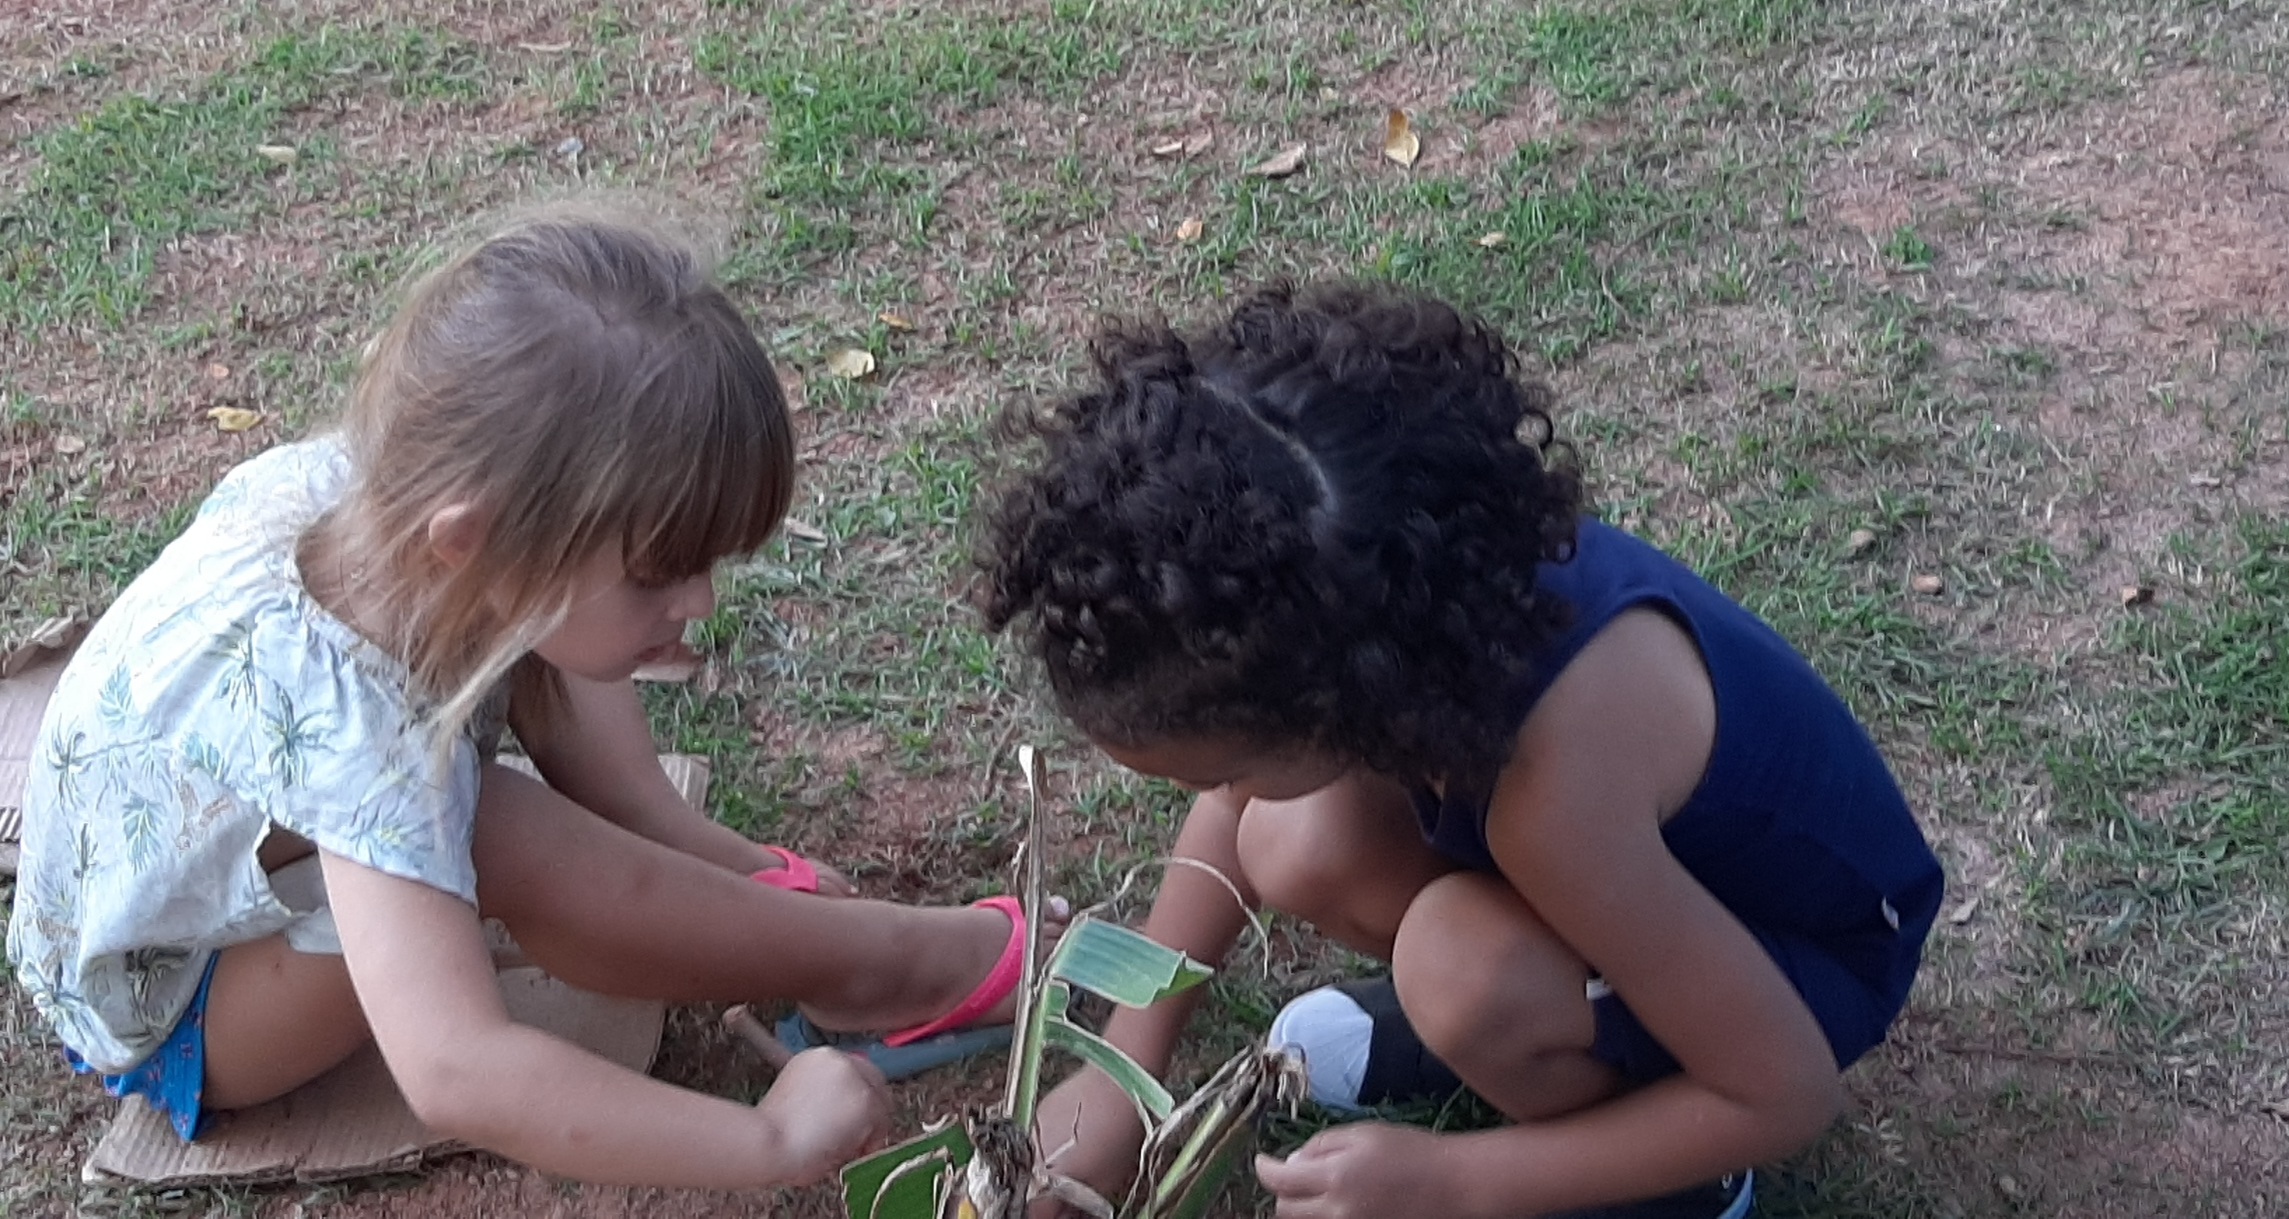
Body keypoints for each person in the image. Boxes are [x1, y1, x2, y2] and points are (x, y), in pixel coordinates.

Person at [7, 203, 1045, 1191]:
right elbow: (456, 1068)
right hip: (178, 1016)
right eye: (659, 570)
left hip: (175, 886)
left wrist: (684, 841)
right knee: (487, 826)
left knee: (527, 664)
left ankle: (713, 870)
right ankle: (877, 967)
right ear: (472, 533)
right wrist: (770, 1138)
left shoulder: (376, 492)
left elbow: (539, 630)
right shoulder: (363, 740)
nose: (700, 599)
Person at [977, 283, 1944, 1218]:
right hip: (1642, 897)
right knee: (1294, 839)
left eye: (1218, 769)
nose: (1218, 796)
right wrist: (1121, 1069)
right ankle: (1538, 1033)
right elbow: (1246, 812)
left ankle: (1661, 1176)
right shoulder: (1400, 578)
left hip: (1792, 981)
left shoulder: (1554, 792)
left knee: (1458, 965)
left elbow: (1781, 1094)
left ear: (1342, 704)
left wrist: (1453, 1182)